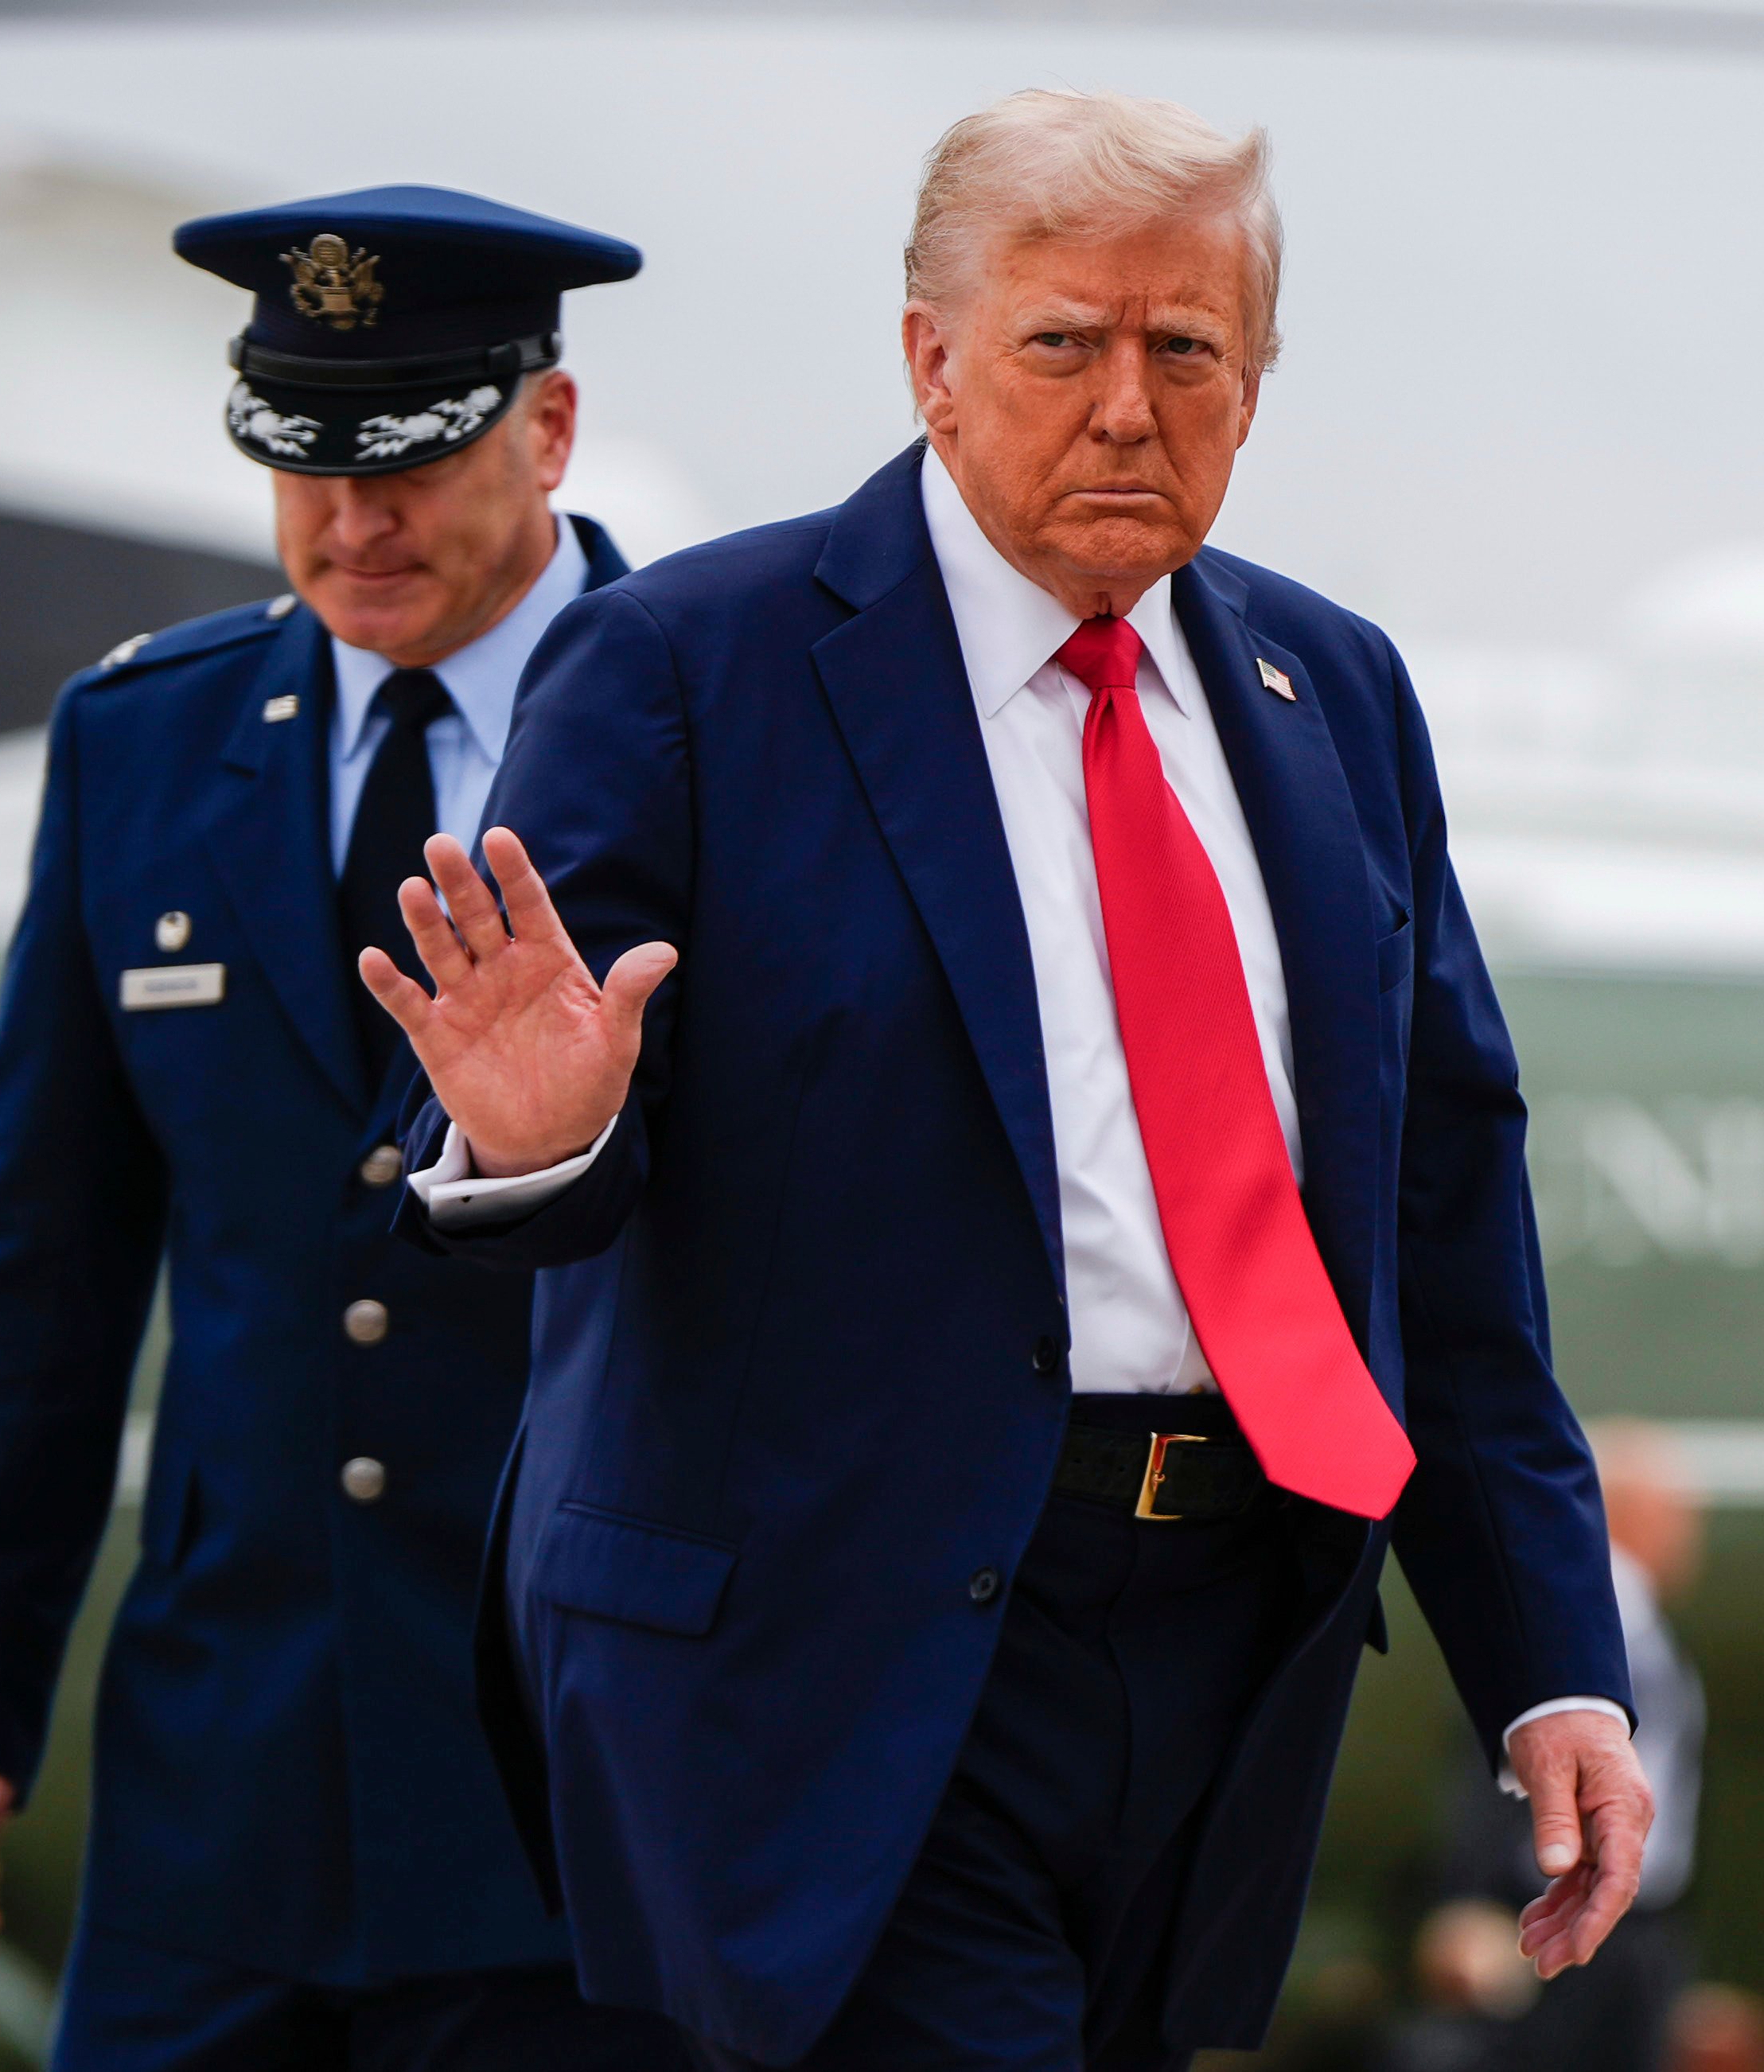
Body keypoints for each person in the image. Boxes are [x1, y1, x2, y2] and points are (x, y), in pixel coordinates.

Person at [363, 92, 1650, 2070]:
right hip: (830, 1651)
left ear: (1258, 377)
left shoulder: (1341, 699)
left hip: (1225, 1645)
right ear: (932, 362)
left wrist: (1557, 1668)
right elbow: (519, 1132)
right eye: (1066, 343)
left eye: (1187, 348)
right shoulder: (684, 669)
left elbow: (1443, 1226)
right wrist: (549, 1141)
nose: (1129, 406)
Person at [0, 185, 683, 2071]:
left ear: (546, 428)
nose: (348, 522)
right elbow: (36, 1279)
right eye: (298, 461)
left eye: (405, 459)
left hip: (592, 1802)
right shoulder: (143, 741)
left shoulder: (723, 720)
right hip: (220, 1810)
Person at [1393, 1420, 1708, 2072]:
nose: (1691, 1537)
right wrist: (1470, 1901)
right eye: (1679, 1515)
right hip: (1553, 1905)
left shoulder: (1638, 1617)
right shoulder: (1593, 1608)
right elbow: (1513, 1739)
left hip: (1627, 1914)